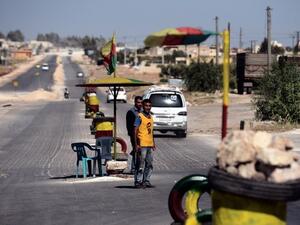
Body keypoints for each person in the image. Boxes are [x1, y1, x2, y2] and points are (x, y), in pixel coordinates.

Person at [134, 99, 156, 188]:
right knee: (140, 164)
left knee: (149, 164)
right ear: (143, 106)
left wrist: (153, 142)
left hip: (149, 144)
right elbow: (135, 130)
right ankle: (138, 181)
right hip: (142, 144)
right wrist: (136, 144)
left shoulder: (151, 117)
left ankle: (146, 180)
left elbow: (151, 131)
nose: (148, 107)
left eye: (149, 106)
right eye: (146, 106)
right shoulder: (139, 116)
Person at [126, 96, 143, 173]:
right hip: (134, 136)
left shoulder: (143, 111)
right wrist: (133, 136)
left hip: (142, 136)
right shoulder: (131, 112)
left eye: (141, 102)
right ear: (135, 102)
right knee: (136, 151)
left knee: (140, 152)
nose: (140, 104)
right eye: (138, 102)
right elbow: (129, 126)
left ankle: (139, 167)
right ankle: (133, 168)